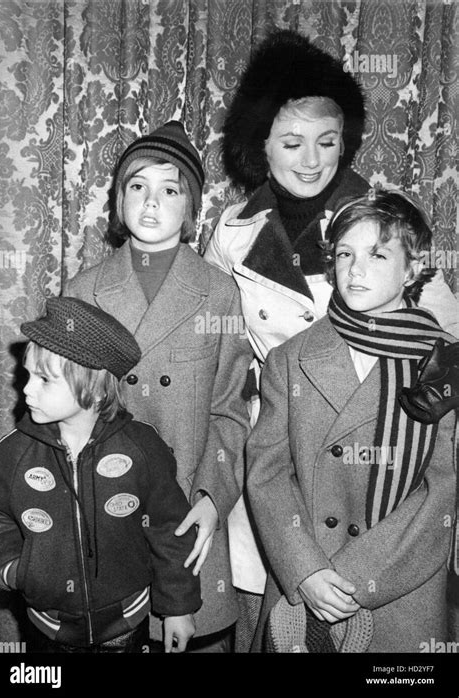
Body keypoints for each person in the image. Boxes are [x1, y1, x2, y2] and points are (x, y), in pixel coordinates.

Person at [203, 28, 459, 652]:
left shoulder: (380, 223)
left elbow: (448, 338)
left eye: (328, 141)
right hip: (284, 468)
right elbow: (220, 357)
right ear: (259, 146)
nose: (312, 159)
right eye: (291, 142)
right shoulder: (232, 236)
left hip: (387, 481)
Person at [65, 121, 253, 652]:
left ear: (190, 208)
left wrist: (214, 500)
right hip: (106, 528)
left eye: (170, 190)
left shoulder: (218, 293)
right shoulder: (84, 292)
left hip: (189, 523)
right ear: (118, 199)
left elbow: (230, 412)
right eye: (137, 186)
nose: (152, 203)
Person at [246, 189, 457, 653]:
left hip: (398, 586)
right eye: (344, 254)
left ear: (413, 268)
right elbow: (267, 473)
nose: (355, 269)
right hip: (303, 582)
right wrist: (306, 570)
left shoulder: (444, 364)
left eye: (378, 255)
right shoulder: (291, 359)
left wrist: (352, 576)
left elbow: (442, 489)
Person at [0, 297, 202, 653]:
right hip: (48, 629)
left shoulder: (143, 447)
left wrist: (179, 607)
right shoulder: (13, 453)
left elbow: (170, 529)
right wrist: (13, 569)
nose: (26, 389)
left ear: (96, 389)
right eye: (28, 374)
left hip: (126, 625)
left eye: (44, 379)